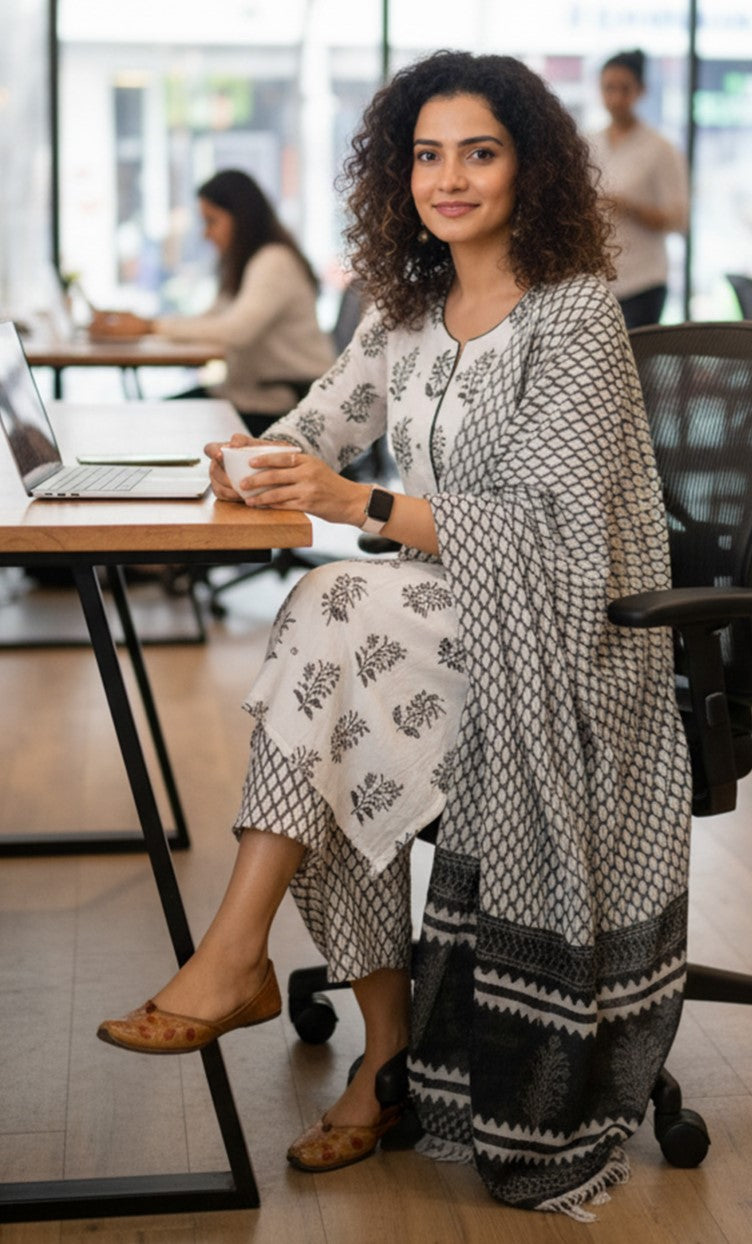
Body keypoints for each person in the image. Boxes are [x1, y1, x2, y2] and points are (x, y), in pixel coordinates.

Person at [96, 51, 692, 1219]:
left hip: (566, 640)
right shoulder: (404, 311)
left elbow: (557, 536)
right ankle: (358, 1041)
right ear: (398, 174)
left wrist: (356, 501)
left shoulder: (574, 315)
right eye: (427, 155)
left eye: (480, 152)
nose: (449, 178)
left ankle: (267, 978)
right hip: (431, 625)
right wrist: (251, 459)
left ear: (531, 168)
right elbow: (316, 425)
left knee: (331, 620)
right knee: (339, 685)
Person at [91, 169, 335, 433]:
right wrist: (144, 324)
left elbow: (235, 331)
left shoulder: (274, 262)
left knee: (150, 424)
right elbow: (212, 319)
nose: (205, 233)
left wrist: (150, 327)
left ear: (241, 218)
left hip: (278, 404)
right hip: (245, 395)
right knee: (147, 419)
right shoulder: (245, 263)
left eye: (211, 221)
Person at [587, 49, 689, 328]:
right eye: (609, 88)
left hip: (643, 281)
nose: (616, 98)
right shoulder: (588, 144)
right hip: (599, 281)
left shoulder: (660, 149)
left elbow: (679, 219)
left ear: (641, 91)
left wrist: (629, 208)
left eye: (624, 89)